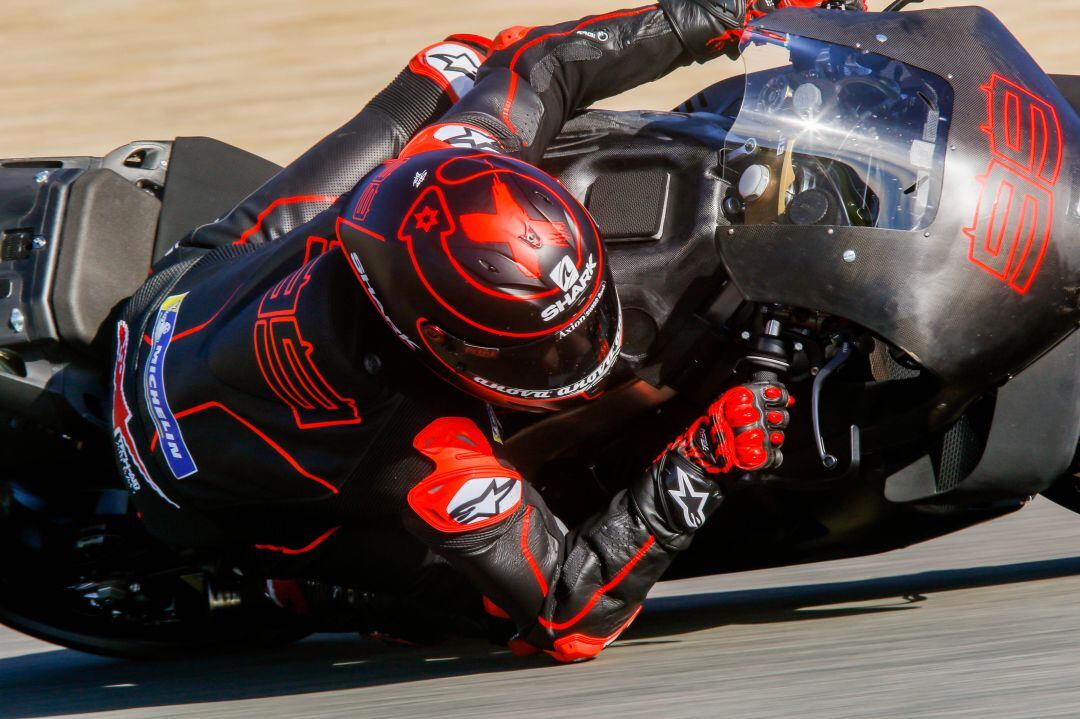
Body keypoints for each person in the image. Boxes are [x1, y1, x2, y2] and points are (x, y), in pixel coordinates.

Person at [111, 0, 848, 663]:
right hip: (185, 488)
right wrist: (698, 464)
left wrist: (726, 12)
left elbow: (543, 62)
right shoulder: (436, 455)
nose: (580, 348)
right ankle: (309, 591)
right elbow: (570, 615)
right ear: (443, 343)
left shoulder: (452, 153)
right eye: (550, 344)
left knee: (456, 63)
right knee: (480, 607)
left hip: (176, 297)